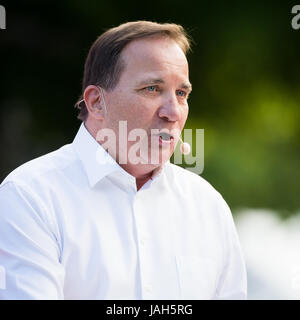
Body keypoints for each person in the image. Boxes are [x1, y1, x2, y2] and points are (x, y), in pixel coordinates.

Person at [0, 21, 247, 299]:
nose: (173, 112)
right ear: (96, 102)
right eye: (152, 88)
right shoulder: (29, 197)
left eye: (181, 93)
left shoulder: (208, 206)